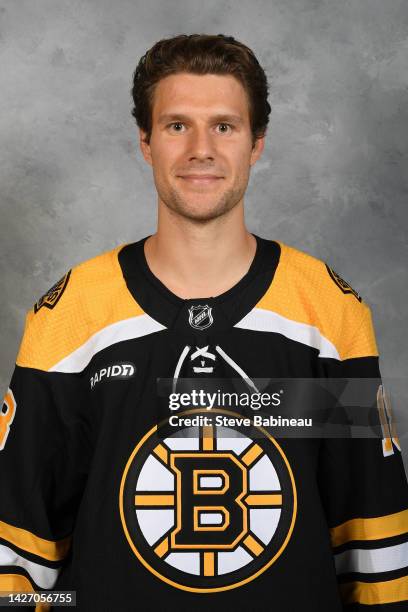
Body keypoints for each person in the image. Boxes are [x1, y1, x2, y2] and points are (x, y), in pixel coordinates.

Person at [0, 33, 407, 612]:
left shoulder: (327, 309)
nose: (200, 149)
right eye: (175, 126)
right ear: (145, 142)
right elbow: (18, 555)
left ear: (256, 143)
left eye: (223, 126)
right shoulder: (72, 314)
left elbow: (371, 541)